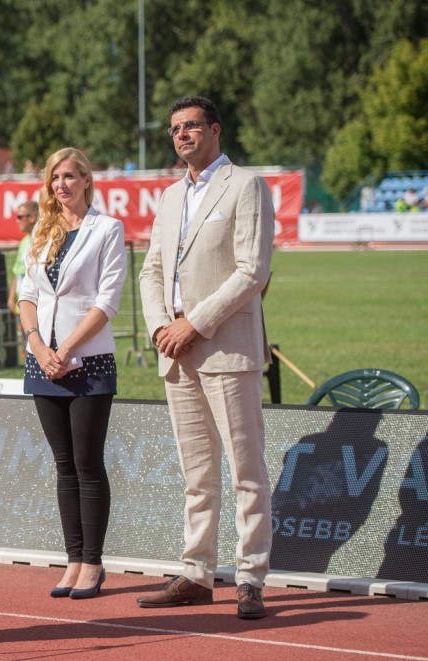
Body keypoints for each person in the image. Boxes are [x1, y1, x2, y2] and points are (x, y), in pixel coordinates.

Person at [137, 96, 274, 619]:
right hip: (176, 352)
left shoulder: (246, 185)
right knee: (197, 476)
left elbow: (252, 270)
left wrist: (193, 323)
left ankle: (250, 578)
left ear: (215, 130)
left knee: (246, 472)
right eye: (175, 128)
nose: (182, 134)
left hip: (226, 348)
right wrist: (160, 327)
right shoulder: (171, 195)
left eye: (192, 125)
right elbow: (152, 270)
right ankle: (196, 572)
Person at [17, 147, 128, 600]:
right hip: (43, 362)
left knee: (87, 464)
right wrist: (39, 347)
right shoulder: (41, 231)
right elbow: (27, 296)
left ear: (86, 180)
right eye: (54, 178)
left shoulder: (108, 229)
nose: (61, 184)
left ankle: (93, 564)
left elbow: (107, 301)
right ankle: (73, 560)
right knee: (63, 466)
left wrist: (65, 349)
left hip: (88, 361)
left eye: (69, 176)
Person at [7, 201, 39, 318]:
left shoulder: (42, 241)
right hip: (22, 305)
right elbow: (17, 272)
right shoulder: (24, 242)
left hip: (36, 306)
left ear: (32, 218)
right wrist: (11, 300)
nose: (17, 220)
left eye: (20, 217)